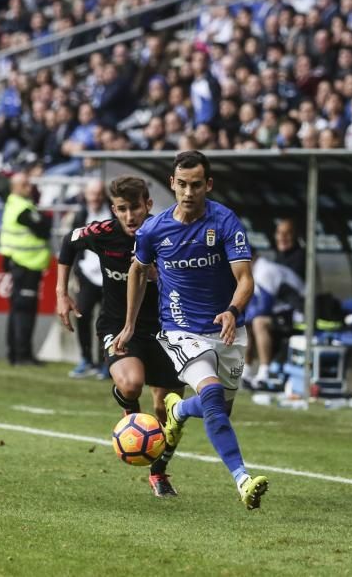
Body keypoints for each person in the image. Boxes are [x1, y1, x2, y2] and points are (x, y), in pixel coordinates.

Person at [114, 151, 269, 511]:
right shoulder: (154, 230)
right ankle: (243, 480)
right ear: (172, 184)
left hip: (227, 329)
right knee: (213, 396)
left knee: (219, 411)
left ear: (208, 185)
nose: (188, 192)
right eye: (181, 184)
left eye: (196, 185)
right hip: (180, 329)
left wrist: (232, 310)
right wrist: (130, 324)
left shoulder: (226, 222)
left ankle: (180, 410)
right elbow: (138, 271)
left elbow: (246, 279)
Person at [56, 176, 184, 498]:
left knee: (168, 412)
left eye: (135, 208)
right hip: (117, 323)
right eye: (122, 209)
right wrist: (62, 292)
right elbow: (68, 243)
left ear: (148, 205)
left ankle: (158, 473)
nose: (130, 216)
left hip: (166, 328)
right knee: (130, 384)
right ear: (114, 209)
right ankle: (130, 418)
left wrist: (164, 274)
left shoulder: (168, 233)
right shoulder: (103, 233)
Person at [0, 172, 52, 365]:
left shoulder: (14, 204)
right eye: (24, 184)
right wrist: (46, 219)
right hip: (27, 264)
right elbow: (44, 229)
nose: (29, 187)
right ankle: (23, 355)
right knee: (24, 311)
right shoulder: (22, 208)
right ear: (14, 187)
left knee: (17, 310)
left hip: (21, 264)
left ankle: (15, 353)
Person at [67, 178, 112, 379]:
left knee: (106, 322)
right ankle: (86, 359)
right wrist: (75, 270)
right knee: (82, 315)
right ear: (86, 195)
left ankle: (106, 363)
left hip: (109, 275)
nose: (95, 198)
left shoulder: (112, 213)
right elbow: (72, 244)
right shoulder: (81, 214)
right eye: (92, 194)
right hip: (86, 273)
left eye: (98, 194)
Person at [241, 253, 305, 390]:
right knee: (244, 323)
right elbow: (252, 304)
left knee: (259, 322)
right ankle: (246, 371)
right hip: (282, 312)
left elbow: (264, 306)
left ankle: (265, 373)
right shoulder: (254, 271)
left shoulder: (265, 271)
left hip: (299, 313)